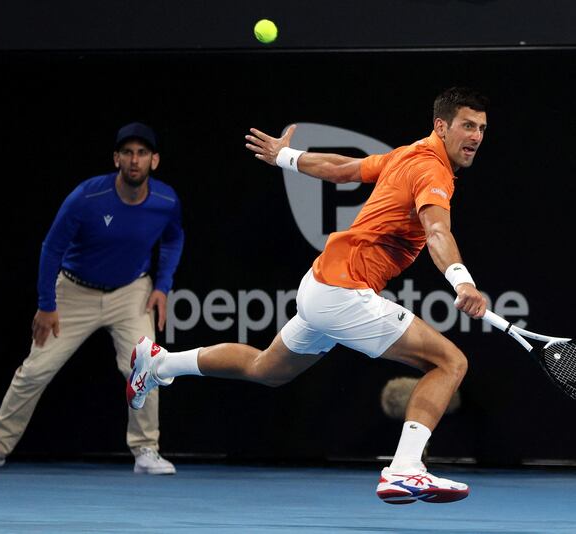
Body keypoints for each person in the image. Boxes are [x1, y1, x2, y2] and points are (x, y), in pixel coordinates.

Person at [127, 87, 488, 503]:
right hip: (342, 291)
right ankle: (405, 468)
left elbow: (343, 169)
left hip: (321, 285)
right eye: (467, 125)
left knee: (267, 369)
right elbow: (438, 231)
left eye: (481, 128)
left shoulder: (408, 154)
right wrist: (461, 281)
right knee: (449, 362)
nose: (476, 135)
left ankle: (159, 362)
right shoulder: (432, 170)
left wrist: (286, 156)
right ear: (441, 127)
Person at [0, 122, 184, 475]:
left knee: (144, 368)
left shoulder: (166, 200)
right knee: (35, 371)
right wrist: (47, 304)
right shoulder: (86, 198)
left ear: (154, 161)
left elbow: (173, 238)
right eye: (127, 153)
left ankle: (146, 450)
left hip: (131, 293)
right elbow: (52, 248)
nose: (134, 160)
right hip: (74, 292)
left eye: (142, 153)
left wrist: (162, 286)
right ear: (116, 159)